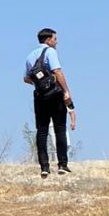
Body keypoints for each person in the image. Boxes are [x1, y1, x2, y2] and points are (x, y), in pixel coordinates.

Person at [22, 30, 72, 178]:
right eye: (55, 39)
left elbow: (26, 78)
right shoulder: (50, 51)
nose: (56, 42)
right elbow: (57, 71)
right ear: (48, 40)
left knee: (42, 131)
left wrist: (41, 85)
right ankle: (62, 164)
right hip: (55, 94)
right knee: (60, 128)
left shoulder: (30, 56)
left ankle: (44, 167)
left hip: (39, 96)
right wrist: (66, 91)